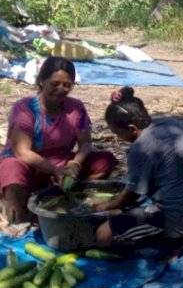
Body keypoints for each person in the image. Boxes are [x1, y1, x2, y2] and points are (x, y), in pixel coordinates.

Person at [92, 87, 183, 253]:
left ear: (132, 128)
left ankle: (173, 241)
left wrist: (104, 206)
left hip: (182, 218)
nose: (117, 138)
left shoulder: (141, 148)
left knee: (103, 236)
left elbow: (129, 196)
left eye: (117, 133)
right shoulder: (169, 123)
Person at [0, 57, 118, 224]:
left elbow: (85, 143)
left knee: (105, 161)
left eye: (67, 85)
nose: (61, 89)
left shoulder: (76, 107)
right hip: (29, 164)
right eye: (55, 84)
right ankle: (21, 211)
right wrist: (54, 170)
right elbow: (22, 151)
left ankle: (65, 191)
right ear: (41, 81)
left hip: (62, 164)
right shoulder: (25, 108)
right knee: (12, 170)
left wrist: (75, 164)